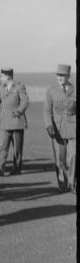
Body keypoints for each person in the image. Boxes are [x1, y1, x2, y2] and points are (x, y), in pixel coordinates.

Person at [0, 67, 29, 176]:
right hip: (4, 121)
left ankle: (17, 168)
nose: (0, 78)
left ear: (8, 76)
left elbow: (25, 101)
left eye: (1, 76)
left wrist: (19, 111)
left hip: (17, 121)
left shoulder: (19, 87)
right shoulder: (2, 89)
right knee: (2, 144)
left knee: (17, 148)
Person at [43, 64, 76, 193]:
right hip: (57, 129)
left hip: (73, 128)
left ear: (68, 76)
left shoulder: (74, 89)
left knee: (73, 155)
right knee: (60, 159)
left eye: (63, 75)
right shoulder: (51, 91)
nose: (60, 78)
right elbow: (46, 110)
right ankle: (62, 182)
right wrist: (48, 125)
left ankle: (73, 183)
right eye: (58, 75)